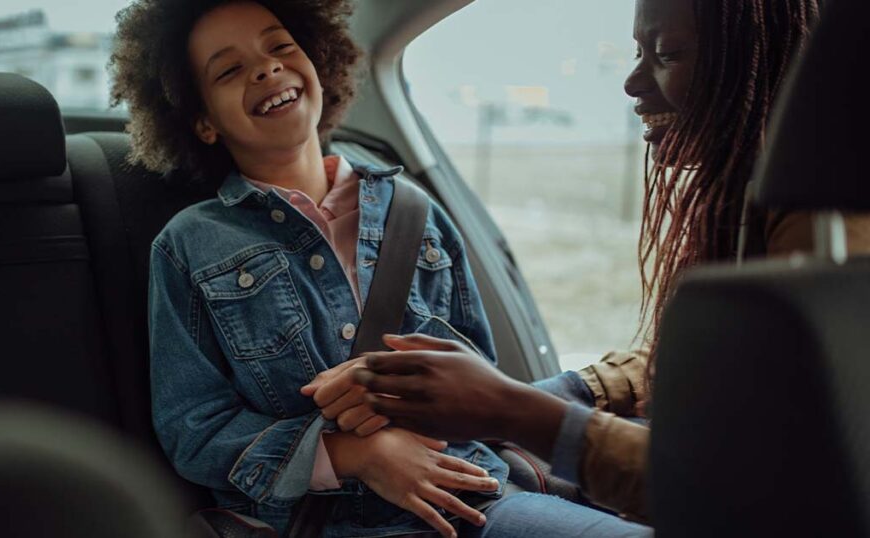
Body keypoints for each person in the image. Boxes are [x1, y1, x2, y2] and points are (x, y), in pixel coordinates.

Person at [304, 0, 870, 535]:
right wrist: (564, 391)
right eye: (638, 52)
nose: (632, 82)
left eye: (667, 54)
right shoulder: (747, 209)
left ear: (767, 66)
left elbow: (756, 493)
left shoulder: (829, 250)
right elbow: (704, 372)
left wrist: (515, 409)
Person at [110, 1, 609, 536]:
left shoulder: (415, 211)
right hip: (329, 524)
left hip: (473, 501)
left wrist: (392, 388)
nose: (266, 68)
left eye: (280, 47)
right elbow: (195, 431)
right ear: (203, 121)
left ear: (318, 62)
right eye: (229, 70)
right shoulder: (189, 245)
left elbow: (478, 374)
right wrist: (355, 453)